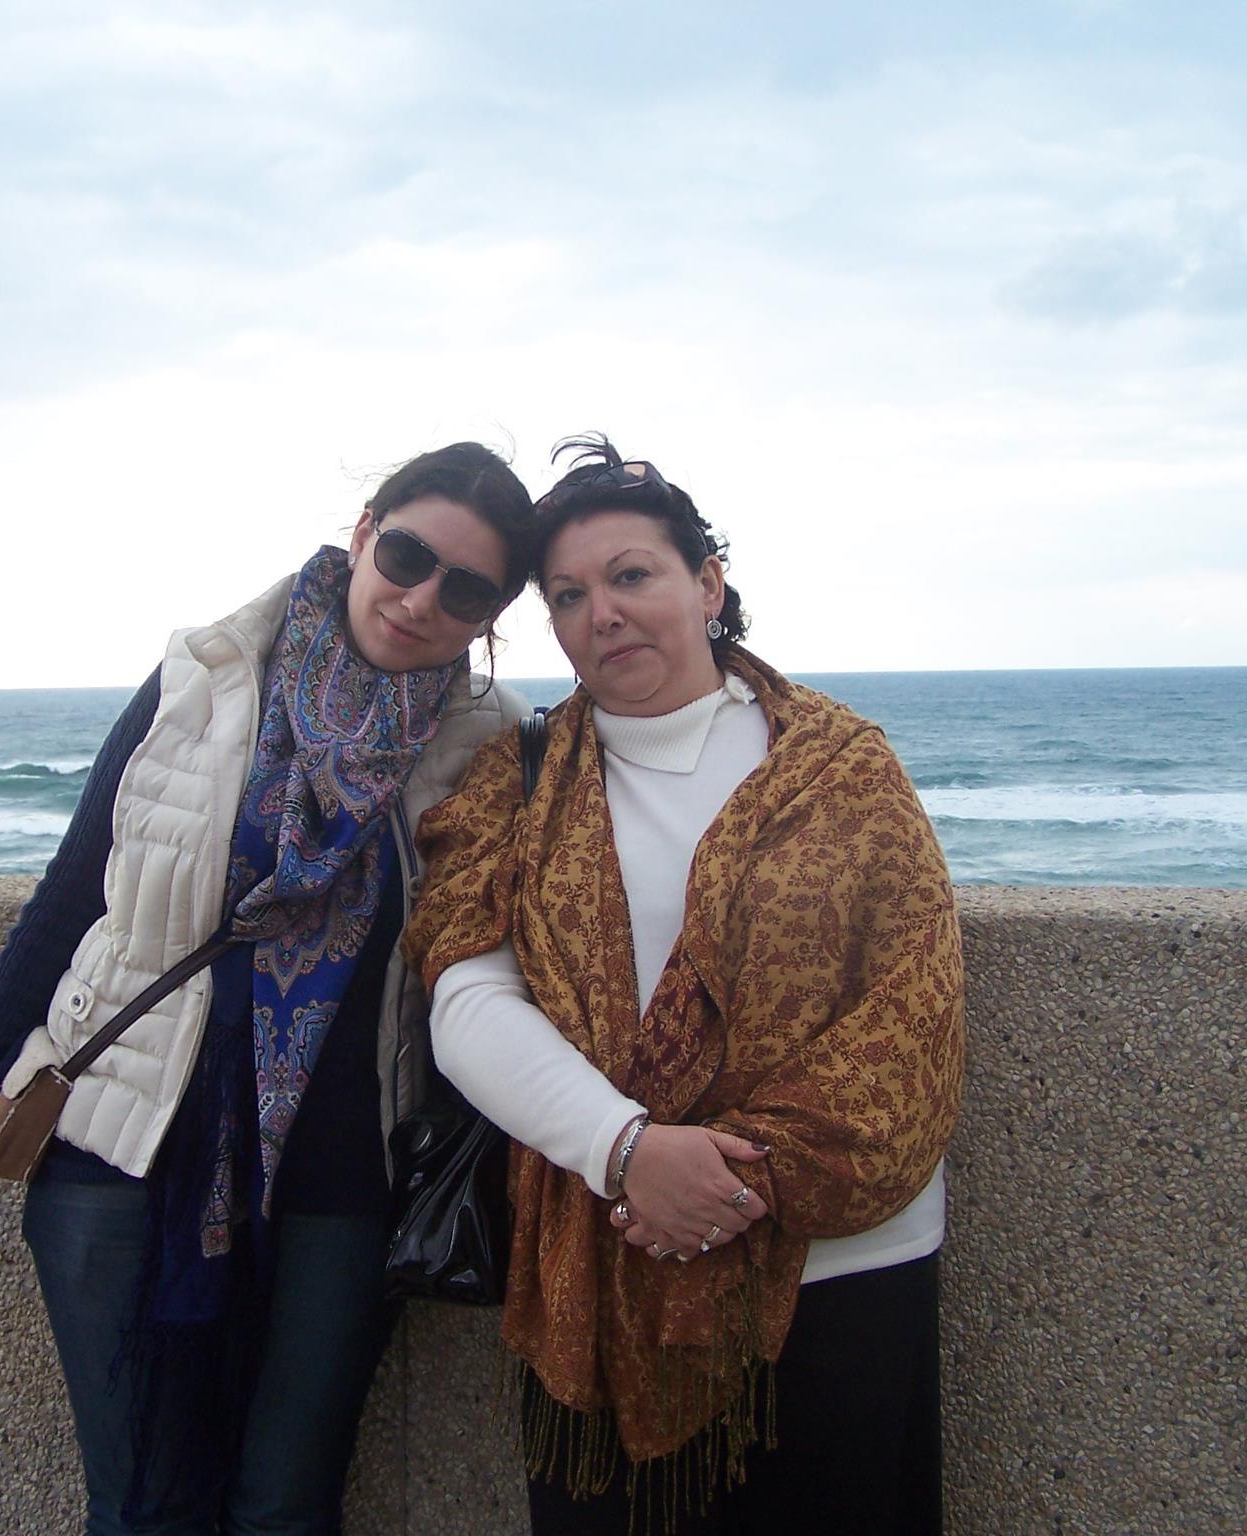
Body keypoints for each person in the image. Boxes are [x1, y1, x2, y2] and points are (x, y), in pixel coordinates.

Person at [0, 442, 536, 1536]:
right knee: (142, 1505)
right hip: (126, 1137)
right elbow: (75, 892)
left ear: (491, 616)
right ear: (363, 532)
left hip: (344, 1176)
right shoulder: (205, 677)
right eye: (406, 556)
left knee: (283, 1507)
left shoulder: (488, 742)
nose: (419, 599)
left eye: (466, 590)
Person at [404, 437, 965, 1535]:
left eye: (631, 575)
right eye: (568, 595)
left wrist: (726, 1184)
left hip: (840, 1270)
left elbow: (910, 1011)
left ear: (706, 584)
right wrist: (627, 1150)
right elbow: (466, 1001)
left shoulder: (841, 767)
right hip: (607, 1253)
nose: (602, 613)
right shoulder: (515, 783)